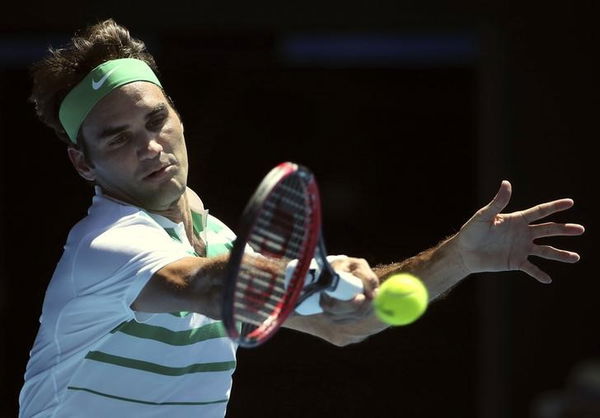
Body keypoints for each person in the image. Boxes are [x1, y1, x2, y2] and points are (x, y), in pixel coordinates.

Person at [19, 19, 584, 418]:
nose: (150, 146)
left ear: (177, 115)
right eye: (118, 139)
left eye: (155, 120)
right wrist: (309, 274)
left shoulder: (214, 237)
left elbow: (344, 324)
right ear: (82, 163)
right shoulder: (108, 243)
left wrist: (459, 258)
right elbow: (205, 283)